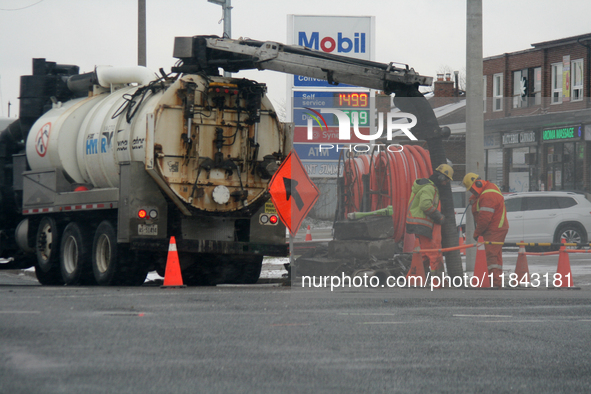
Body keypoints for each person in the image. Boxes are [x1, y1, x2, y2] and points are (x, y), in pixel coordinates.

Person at [406, 164, 454, 279]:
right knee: (434, 253)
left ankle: (413, 278)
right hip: (422, 223)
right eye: (446, 180)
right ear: (441, 177)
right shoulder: (429, 188)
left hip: (418, 223)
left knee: (424, 253)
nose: (446, 183)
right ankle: (438, 281)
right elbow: (425, 205)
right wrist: (439, 216)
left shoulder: (428, 186)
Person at [462, 173, 509, 287]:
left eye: (472, 190)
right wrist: (474, 198)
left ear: (477, 184)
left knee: (491, 256)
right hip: (496, 228)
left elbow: (484, 219)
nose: (472, 193)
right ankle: (496, 281)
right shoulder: (488, 189)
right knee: (495, 256)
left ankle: (495, 282)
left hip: (494, 229)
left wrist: (477, 232)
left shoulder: (487, 195)